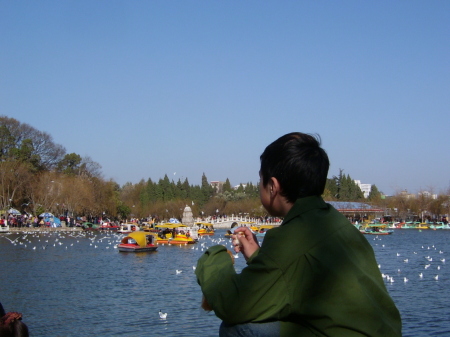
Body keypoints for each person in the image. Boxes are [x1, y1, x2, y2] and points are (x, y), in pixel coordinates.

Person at [195, 132, 402, 336]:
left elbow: (233, 304)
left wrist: (216, 255)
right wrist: (259, 257)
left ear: (273, 186)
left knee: (237, 328)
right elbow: (297, 273)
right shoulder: (336, 223)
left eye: (261, 180)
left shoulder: (292, 236)